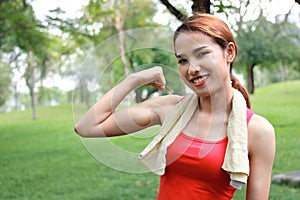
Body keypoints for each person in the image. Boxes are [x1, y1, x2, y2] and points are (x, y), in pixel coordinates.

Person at [74, 13, 275, 199]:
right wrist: (135, 79)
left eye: (202, 54)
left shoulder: (257, 130)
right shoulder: (169, 109)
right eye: (182, 60)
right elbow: (86, 127)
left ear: (229, 52)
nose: (192, 69)